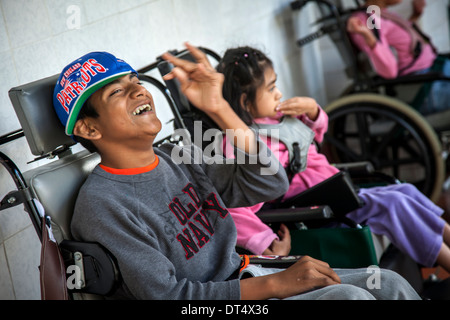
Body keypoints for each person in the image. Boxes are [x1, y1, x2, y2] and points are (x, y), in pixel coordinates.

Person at [52, 43, 420, 300]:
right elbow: (168, 295)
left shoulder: (177, 154)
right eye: (117, 92)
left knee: (385, 283)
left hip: (249, 274)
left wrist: (220, 110)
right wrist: (276, 286)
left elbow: (269, 181)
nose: (137, 91)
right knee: (350, 298)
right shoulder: (103, 205)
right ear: (89, 129)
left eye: (135, 82)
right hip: (230, 297)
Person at [216, 45, 450, 276]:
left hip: (336, 189)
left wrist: (313, 112)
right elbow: (234, 204)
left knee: (404, 191)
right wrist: (263, 239)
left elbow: (315, 135)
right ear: (246, 102)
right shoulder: (240, 144)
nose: (279, 93)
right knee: (394, 204)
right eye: (271, 88)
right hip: (314, 207)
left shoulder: (277, 118)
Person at [346, 0, 450, 115]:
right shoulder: (369, 19)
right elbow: (389, 71)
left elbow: (398, 41)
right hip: (425, 85)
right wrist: (368, 36)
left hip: (434, 72)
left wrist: (415, 16)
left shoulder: (376, 12)